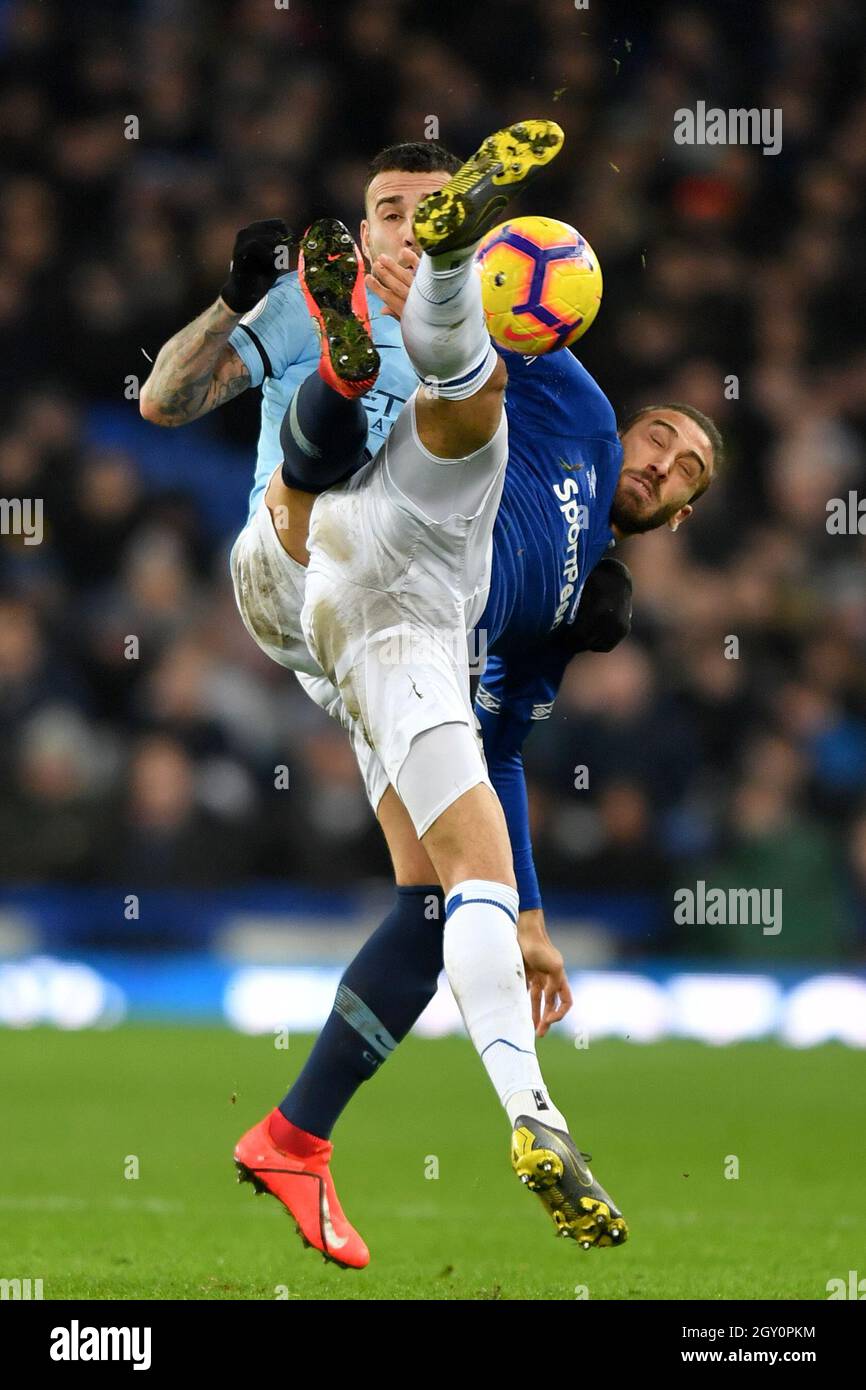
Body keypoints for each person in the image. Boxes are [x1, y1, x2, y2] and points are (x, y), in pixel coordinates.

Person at [141, 123, 722, 1267]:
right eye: (396, 216)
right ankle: (533, 1116)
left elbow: (496, 755)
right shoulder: (574, 413)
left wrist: (537, 917)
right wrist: (234, 300)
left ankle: (293, 1138)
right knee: (464, 400)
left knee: (438, 894)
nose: (658, 462)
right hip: (321, 555)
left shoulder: (568, 607)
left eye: (685, 472)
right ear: (368, 232)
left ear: (680, 515)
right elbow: (166, 399)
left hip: (370, 630)